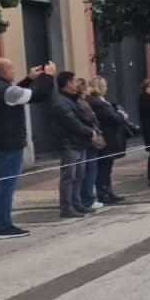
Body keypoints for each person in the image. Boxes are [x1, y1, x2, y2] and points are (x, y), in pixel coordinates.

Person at [0, 58, 56, 239]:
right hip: (9, 144)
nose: (14, 73)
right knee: (6, 184)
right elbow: (37, 96)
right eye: (13, 70)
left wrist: (29, 79)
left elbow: (15, 96)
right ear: (5, 71)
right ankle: (3, 225)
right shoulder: (7, 90)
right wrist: (48, 77)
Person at [52, 72, 98, 218]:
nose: (77, 83)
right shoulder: (61, 101)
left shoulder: (72, 99)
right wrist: (88, 132)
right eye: (74, 81)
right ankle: (66, 206)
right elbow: (72, 122)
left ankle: (76, 202)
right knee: (69, 176)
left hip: (79, 142)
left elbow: (84, 117)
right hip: (69, 143)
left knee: (79, 175)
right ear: (67, 83)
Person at [88, 77, 127, 204]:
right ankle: (103, 193)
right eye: (104, 86)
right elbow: (112, 118)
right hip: (105, 139)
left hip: (110, 137)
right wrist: (121, 115)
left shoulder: (102, 101)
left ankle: (109, 192)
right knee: (103, 168)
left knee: (107, 168)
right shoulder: (96, 102)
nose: (106, 88)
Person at [74, 79, 104, 211]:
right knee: (90, 171)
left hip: (87, 140)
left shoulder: (80, 103)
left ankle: (86, 198)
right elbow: (90, 120)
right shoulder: (82, 104)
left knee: (87, 171)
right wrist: (95, 130)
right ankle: (88, 199)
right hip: (89, 141)